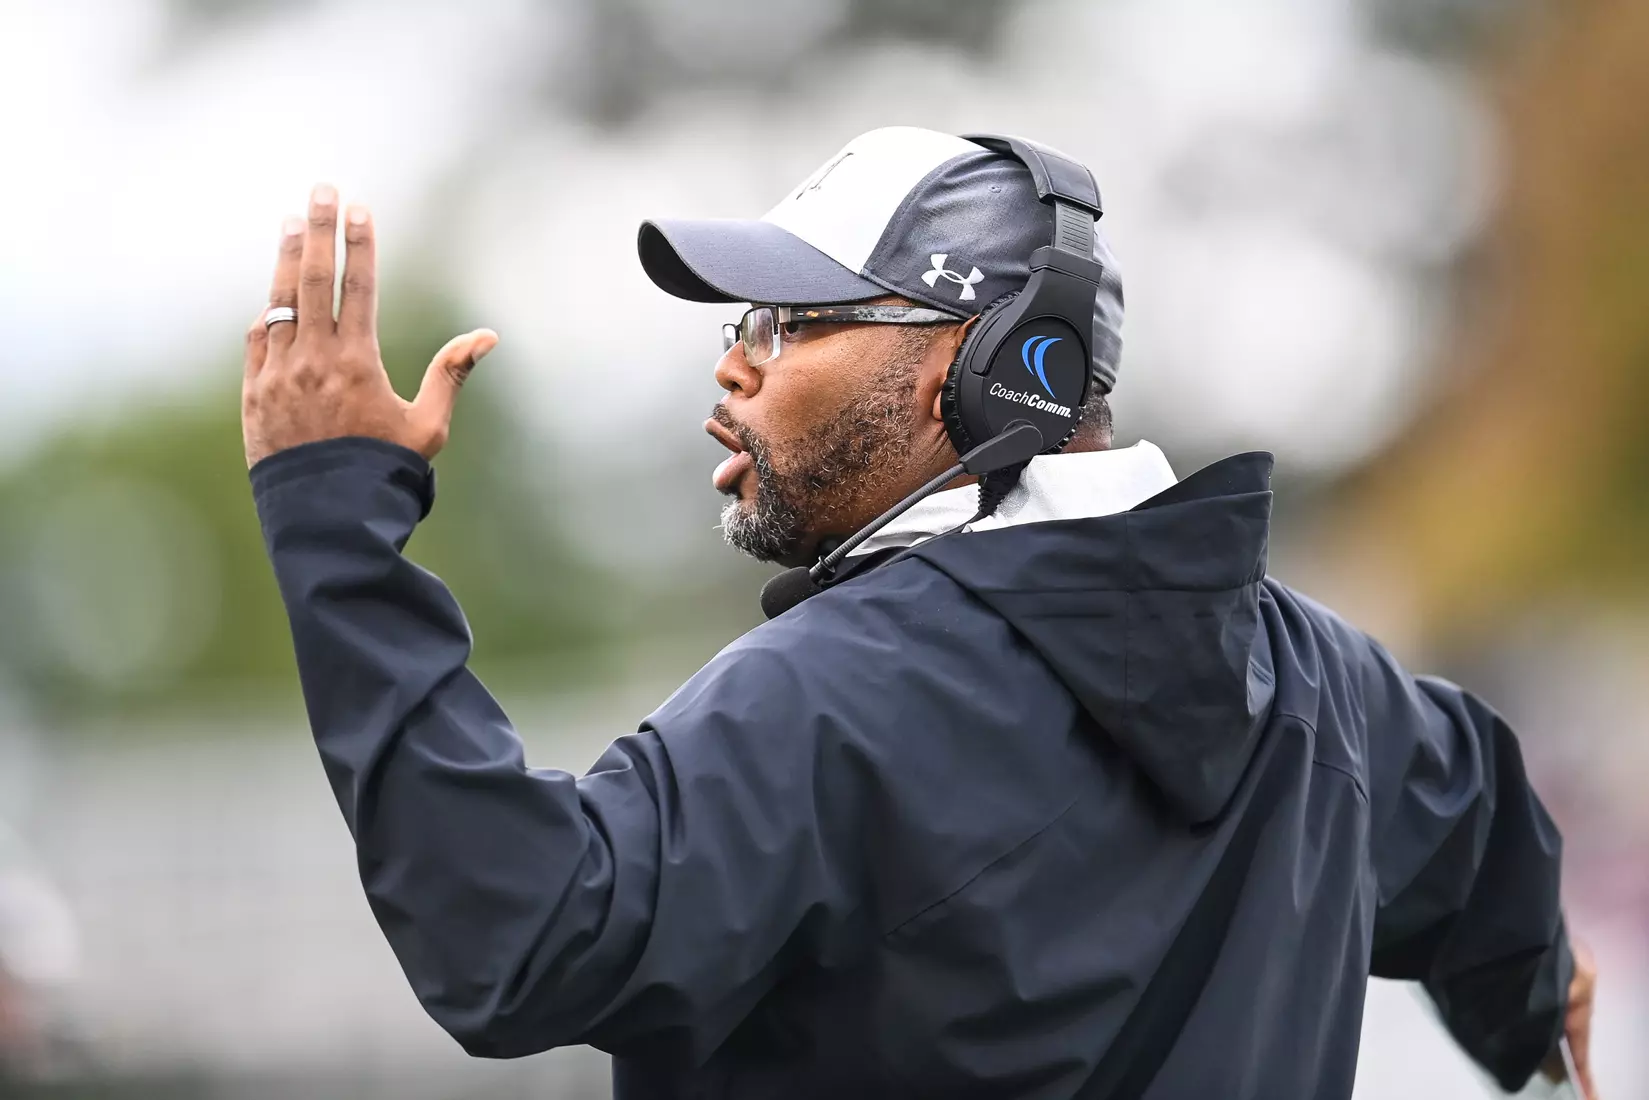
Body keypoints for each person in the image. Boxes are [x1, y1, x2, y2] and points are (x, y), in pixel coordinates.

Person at [241, 127, 1597, 1099]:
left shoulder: (830, 699)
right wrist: (1536, 981)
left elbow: (521, 941)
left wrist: (334, 520)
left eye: (788, 323)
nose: (732, 364)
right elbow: (1479, 819)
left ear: (998, 365)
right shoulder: (1329, 689)